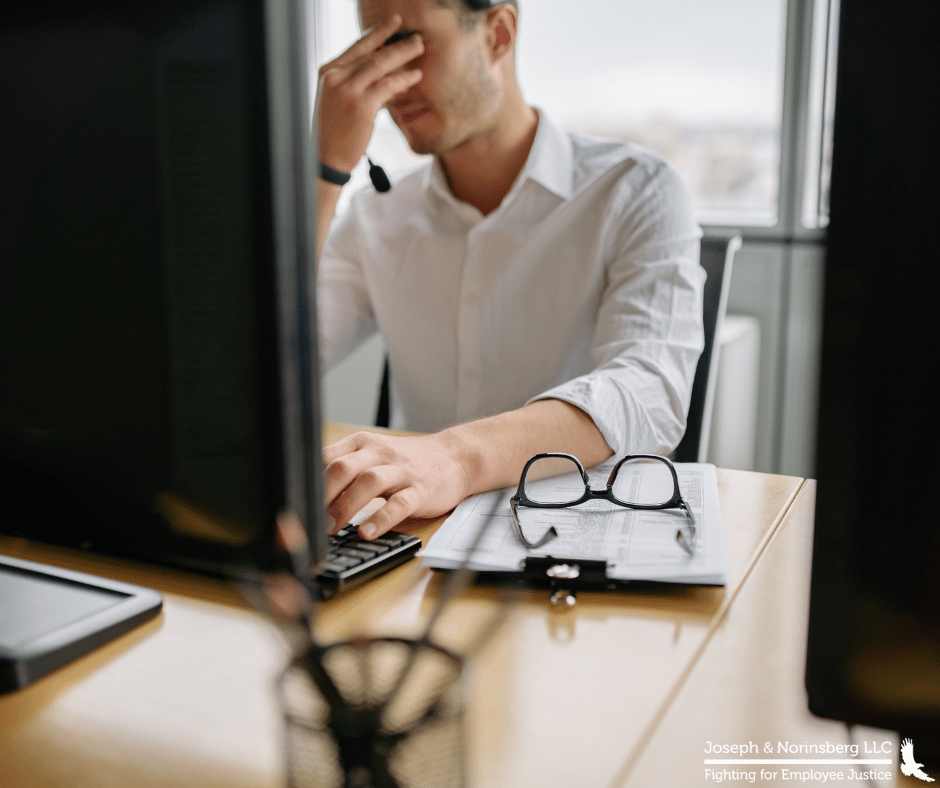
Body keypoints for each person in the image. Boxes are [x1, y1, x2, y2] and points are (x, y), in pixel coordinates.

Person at [315, 0, 705, 541]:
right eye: (370, 51)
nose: (387, 82)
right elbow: (261, 364)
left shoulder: (637, 190)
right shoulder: (375, 217)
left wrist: (452, 458)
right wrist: (323, 170)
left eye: (407, 44)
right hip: (410, 541)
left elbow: (649, 391)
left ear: (498, 33)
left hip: (575, 540)